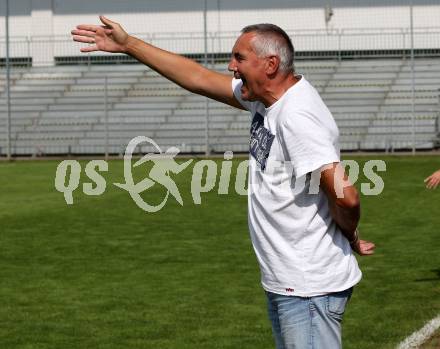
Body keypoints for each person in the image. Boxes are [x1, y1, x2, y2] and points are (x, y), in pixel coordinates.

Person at [71, 16, 375, 349]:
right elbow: (197, 77)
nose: (231, 66)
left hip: (308, 288)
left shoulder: (297, 116)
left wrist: (348, 233)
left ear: (270, 64)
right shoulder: (265, 98)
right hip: (289, 283)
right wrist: (129, 45)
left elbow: (346, 196)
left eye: (239, 58)